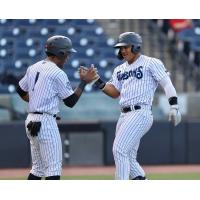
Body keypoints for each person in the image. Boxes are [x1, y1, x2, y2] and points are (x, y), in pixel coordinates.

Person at [92, 32, 181, 180]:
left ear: (136, 46)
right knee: (129, 158)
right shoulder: (119, 69)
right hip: (124, 115)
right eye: (121, 48)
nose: (123, 51)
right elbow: (114, 92)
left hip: (141, 112)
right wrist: (96, 80)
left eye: (126, 47)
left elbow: (166, 83)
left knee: (119, 150)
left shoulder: (151, 62)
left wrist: (174, 106)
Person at [16, 35, 97, 180]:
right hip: (45, 123)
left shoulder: (33, 67)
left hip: (30, 120)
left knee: (37, 169)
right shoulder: (57, 73)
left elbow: (20, 90)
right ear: (60, 53)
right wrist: (84, 82)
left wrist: (36, 104)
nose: (68, 57)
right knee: (53, 170)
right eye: (67, 53)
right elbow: (71, 102)